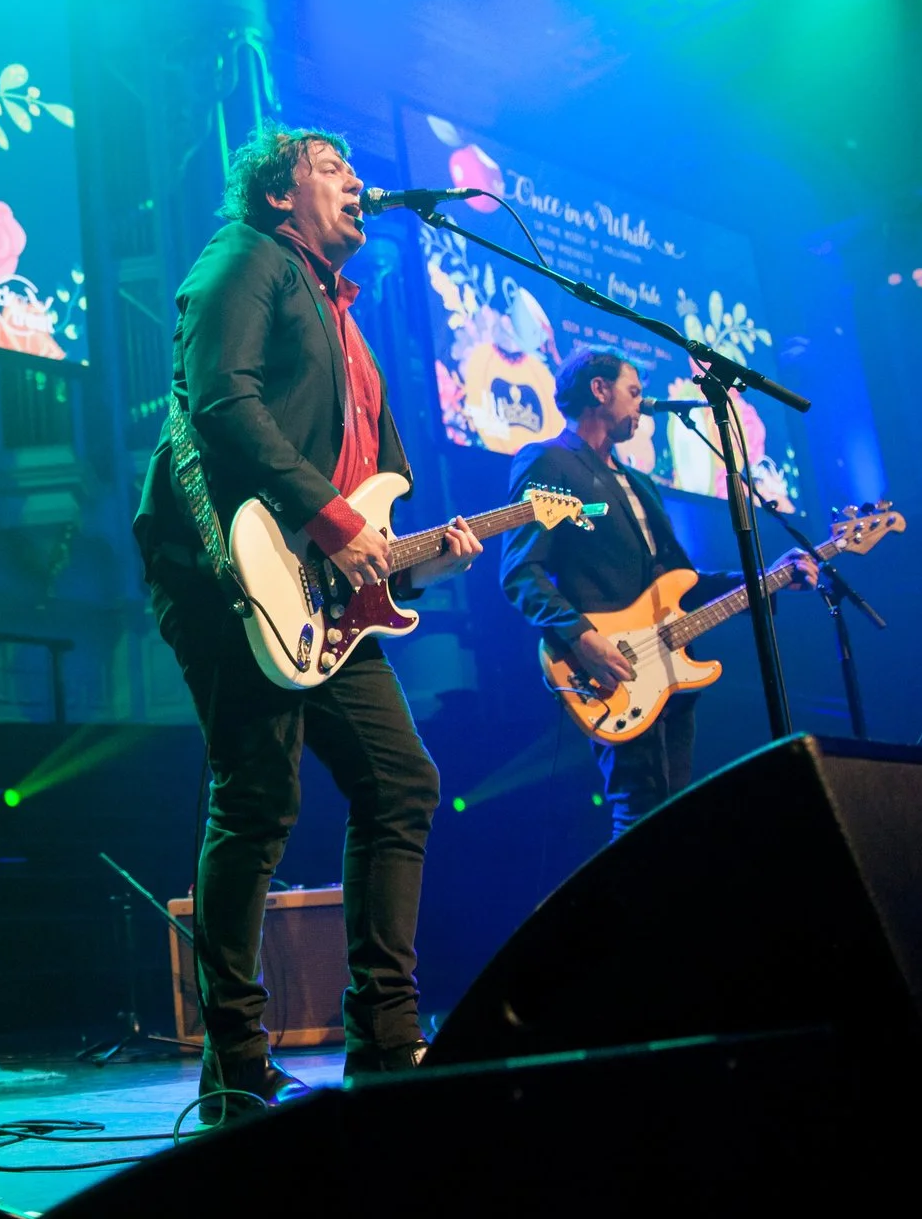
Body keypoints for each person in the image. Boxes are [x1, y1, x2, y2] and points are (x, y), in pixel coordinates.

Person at [133, 126, 483, 1117]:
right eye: (331, 168)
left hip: (322, 593)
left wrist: (404, 551)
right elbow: (220, 403)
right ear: (281, 195)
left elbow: (360, 484)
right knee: (256, 798)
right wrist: (333, 523)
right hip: (227, 572)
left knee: (401, 780)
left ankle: (385, 1034)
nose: (357, 181)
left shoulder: (344, 318)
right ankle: (236, 1063)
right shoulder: (245, 258)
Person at [499, 351, 814, 837]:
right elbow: (521, 571)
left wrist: (766, 576)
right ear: (599, 390)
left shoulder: (641, 483)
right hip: (608, 668)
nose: (642, 405)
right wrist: (582, 637)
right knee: (641, 810)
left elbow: (681, 578)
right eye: (634, 392)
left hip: (668, 670)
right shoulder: (550, 460)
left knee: (677, 815)